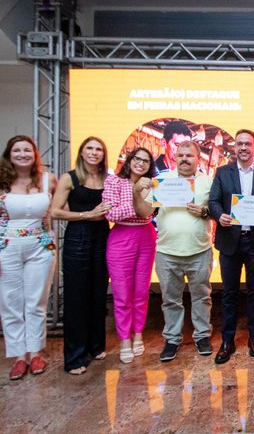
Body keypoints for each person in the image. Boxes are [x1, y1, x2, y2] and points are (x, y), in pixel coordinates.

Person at [0, 135, 57, 380]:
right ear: (9, 155)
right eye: (17, 151)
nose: (22, 154)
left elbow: (55, 211)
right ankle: (19, 356)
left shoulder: (48, 179)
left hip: (40, 246)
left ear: (35, 154)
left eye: (27, 150)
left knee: (36, 302)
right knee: (10, 302)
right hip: (6, 246)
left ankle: (35, 353)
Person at [134, 140, 214, 362]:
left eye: (189, 155)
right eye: (181, 155)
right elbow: (145, 212)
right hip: (167, 252)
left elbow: (218, 210)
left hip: (200, 250)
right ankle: (172, 339)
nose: (184, 159)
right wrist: (137, 193)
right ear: (174, 157)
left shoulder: (207, 181)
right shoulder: (162, 181)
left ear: (198, 158)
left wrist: (205, 211)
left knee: (202, 297)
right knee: (170, 300)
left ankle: (202, 336)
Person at [208, 129, 254, 364]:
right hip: (229, 241)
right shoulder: (222, 172)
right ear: (235, 147)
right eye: (240, 144)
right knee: (229, 293)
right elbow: (213, 201)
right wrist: (219, 215)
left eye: (248, 144)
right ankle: (227, 340)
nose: (243, 147)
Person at [50, 136, 112, 375]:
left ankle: (96, 347)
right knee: (76, 298)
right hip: (78, 237)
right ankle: (75, 358)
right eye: (90, 148)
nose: (94, 153)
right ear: (82, 152)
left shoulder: (107, 178)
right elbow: (55, 212)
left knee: (98, 293)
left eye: (98, 149)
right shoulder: (70, 178)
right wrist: (86, 215)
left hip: (102, 236)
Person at [103, 147, 157, 364]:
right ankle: (124, 339)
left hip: (146, 237)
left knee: (141, 292)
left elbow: (148, 213)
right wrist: (136, 198)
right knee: (122, 293)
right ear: (129, 160)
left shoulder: (152, 184)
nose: (141, 163)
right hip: (121, 237)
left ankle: (138, 335)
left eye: (146, 161)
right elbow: (110, 213)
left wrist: (136, 206)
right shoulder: (114, 181)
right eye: (137, 159)